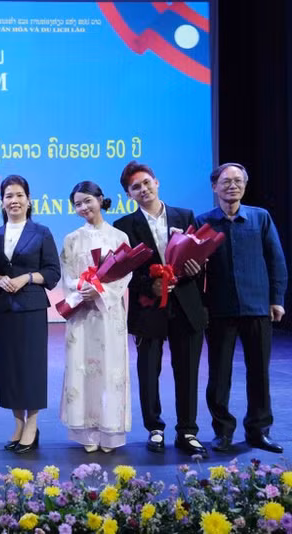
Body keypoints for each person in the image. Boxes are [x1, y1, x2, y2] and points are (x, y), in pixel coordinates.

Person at [112, 161, 208, 457]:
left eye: (146, 183)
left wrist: (194, 268)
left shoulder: (185, 215)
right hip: (148, 307)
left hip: (186, 304)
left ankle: (187, 431)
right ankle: (154, 428)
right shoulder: (124, 227)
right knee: (148, 369)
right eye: (135, 188)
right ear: (129, 194)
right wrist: (147, 285)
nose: (143, 189)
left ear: (157, 182)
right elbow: (122, 271)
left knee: (188, 370)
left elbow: (199, 257)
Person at [197, 163, 288, 453]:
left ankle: (258, 430)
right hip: (219, 309)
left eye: (238, 181)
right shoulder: (203, 223)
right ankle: (222, 431)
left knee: (259, 372)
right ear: (214, 187)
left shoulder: (261, 218)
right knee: (219, 374)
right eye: (225, 181)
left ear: (245, 186)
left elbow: (276, 260)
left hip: (257, 307)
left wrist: (277, 299)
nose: (232, 186)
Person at [0, 175, 61, 454]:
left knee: (32, 367)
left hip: (31, 308)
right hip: (3, 309)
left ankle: (33, 423)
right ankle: (17, 422)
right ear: (2, 202)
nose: (13, 201)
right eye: (8, 196)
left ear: (29, 200)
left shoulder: (42, 232)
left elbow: (52, 272)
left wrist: (26, 278)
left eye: (18, 195)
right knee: (9, 368)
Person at [59, 181, 131, 452]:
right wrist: (82, 291)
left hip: (108, 313)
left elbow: (126, 274)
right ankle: (86, 432)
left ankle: (109, 430)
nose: (83, 207)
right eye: (77, 204)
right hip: (81, 313)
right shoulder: (71, 239)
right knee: (81, 369)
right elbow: (67, 277)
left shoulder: (119, 236)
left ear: (101, 200)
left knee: (110, 369)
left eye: (88, 200)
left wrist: (101, 292)